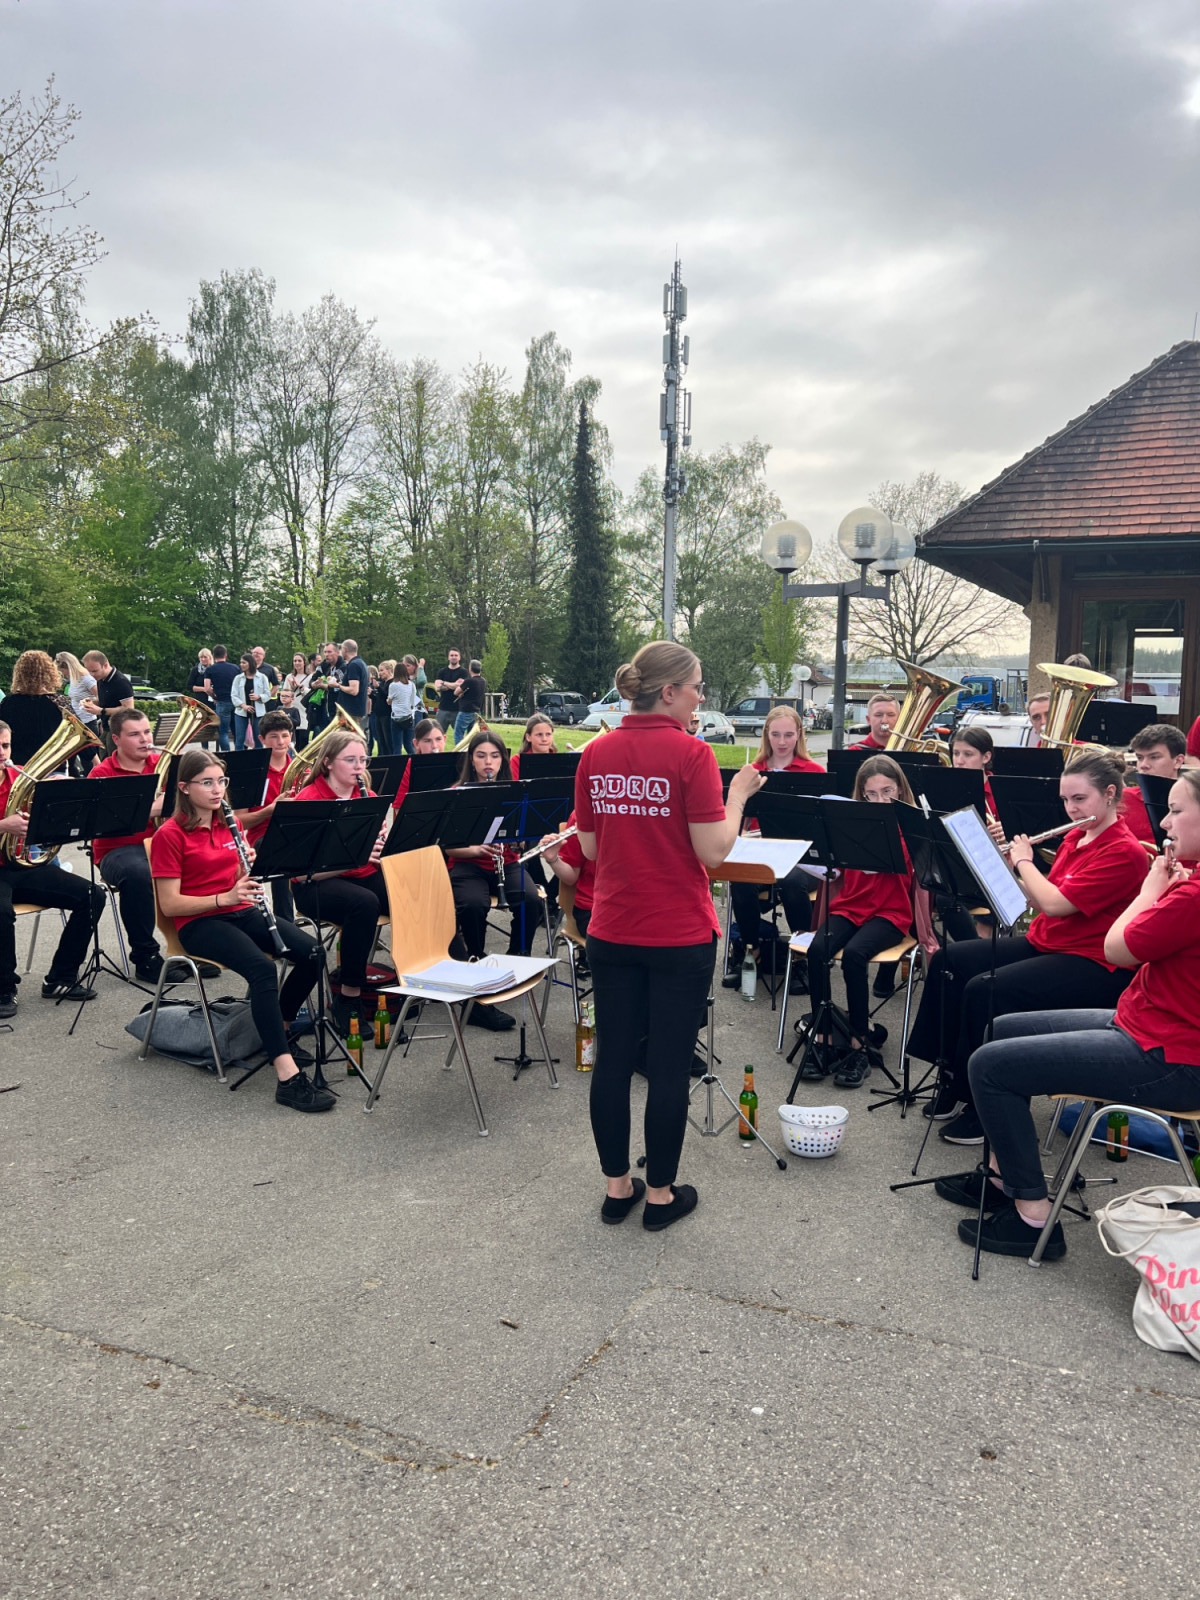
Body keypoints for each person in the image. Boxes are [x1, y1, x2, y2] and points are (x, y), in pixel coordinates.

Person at [939, 766, 1200, 1262]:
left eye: (1175, 811)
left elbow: (1117, 948)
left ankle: (1033, 1217)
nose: (1164, 824)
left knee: (990, 1066)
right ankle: (1002, 1176)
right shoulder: (1189, 881)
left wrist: (1150, 893)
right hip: (1143, 1024)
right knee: (997, 1029)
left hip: (1170, 1055)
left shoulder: (1190, 894)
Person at [576, 641, 765, 1232]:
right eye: (697, 687)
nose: (701, 698)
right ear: (668, 692)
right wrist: (737, 796)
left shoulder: (595, 752)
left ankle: (617, 1189)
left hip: (612, 927)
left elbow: (589, 849)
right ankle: (659, 1196)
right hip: (678, 932)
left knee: (612, 1059)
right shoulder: (692, 753)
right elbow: (713, 851)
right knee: (667, 1064)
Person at [904, 750, 1151, 1143]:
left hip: (1092, 963)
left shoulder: (1124, 851)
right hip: (1049, 943)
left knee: (986, 990)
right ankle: (952, 1073)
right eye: (1065, 800)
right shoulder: (1078, 837)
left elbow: (1055, 903)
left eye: (1079, 799)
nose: (1070, 809)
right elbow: (1036, 897)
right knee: (950, 960)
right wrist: (995, 862)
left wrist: (1024, 861)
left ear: (1109, 794)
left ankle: (982, 1107)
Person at [150, 749, 333, 1113]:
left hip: (239, 909)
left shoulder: (227, 822)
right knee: (262, 969)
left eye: (221, 781)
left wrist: (246, 868)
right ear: (184, 788)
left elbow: (236, 879)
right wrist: (224, 897)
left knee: (313, 953)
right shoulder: (169, 835)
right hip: (199, 922)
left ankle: (279, 1029)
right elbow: (169, 905)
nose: (217, 790)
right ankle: (286, 1075)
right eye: (207, 783)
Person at [802, 755, 916, 1090]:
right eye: (872, 794)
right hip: (851, 906)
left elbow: (906, 868)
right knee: (817, 949)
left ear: (899, 790)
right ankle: (823, 1037)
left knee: (854, 955)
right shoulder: (849, 823)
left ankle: (859, 1043)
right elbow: (836, 869)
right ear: (861, 795)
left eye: (887, 792)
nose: (880, 800)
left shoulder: (907, 827)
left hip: (890, 912)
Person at [0, 719, 106, 1016]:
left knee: (92, 895)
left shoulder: (21, 778)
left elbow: (46, 825)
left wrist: (57, 808)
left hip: (21, 865)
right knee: (1, 913)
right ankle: (4, 988)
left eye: (5, 745)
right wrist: (3, 825)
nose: (2, 752)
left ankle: (61, 977)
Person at [285, 728, 388, 1036]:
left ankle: (425, 980)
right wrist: (354, 856)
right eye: (351, 760)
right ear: (328, 762)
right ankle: (349, 996)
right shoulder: (308, 801)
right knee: (364, 904)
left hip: (361, 875)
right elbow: (299, 872)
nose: (359, 767)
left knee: (413, 892)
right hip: (315, 884)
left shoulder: (366, 795)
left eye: (363, 760)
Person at [445, 730, 542, 1027]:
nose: (488, 762)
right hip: (467, 864)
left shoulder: (515, 792)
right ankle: (476, 962)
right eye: (481, 756)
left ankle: (517, 956)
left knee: (530, 900)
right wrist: (474, 849)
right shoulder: (457, 792)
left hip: (506, 863)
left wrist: (521, 840)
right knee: (473, 904)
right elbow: (446, 846)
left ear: (502, 759)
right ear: (471, 760)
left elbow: (525, 835)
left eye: (495, 756)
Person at [726, 706, 824, 988]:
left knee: (792, 882)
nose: (782, 742)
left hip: (802, 857)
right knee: (740, 879)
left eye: (789, 735)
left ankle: (802, 958)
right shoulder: (752, 772)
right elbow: (739, 820)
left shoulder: (814, 772)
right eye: (776, 734)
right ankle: (751, 952)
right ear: (766, 735)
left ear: (799, 735)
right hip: (763, 852)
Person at [87, 707, 167, 982]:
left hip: (162, 843)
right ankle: (146, 956)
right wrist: (153, 809)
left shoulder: (164, 765)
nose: (145, 739)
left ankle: (197, 946)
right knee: (137, 874)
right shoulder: (101, 774)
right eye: (135, 735)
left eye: (147, 732)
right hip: (117, 850)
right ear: (116, 739)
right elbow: (102, 824)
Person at [236, 709, 298, 922]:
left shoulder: (298, 769)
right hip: (260, 838)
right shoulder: (252, 772)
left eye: (285, 735)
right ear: (261, 739)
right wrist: (271, 809)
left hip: (294, 831)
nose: (281, 742)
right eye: (274, 736)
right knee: (282, 847)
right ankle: (285, 920)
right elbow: (239, 821)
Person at [1121, 723, 1187, 845]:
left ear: (1178, 761)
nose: (1143, 765)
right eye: (1140, 758)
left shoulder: (1193, 801)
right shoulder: (1122, 799)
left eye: (1154, 757)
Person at [0, 651, 66, 766]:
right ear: (50, 673)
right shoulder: (59, 703)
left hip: (17, 767)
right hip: (53, 767)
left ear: (19, 674)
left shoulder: (8, 703)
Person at [390, 718, 446, 813]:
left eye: (438, 739)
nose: (435, 746)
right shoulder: (410, 766)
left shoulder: (455, 763)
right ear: (416, 744)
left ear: (444, 739)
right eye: (427, 741)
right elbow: (399, 806)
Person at [55, 651, 101, 766]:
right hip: (77, 723)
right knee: (72, 760)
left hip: (88, 723)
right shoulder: (74, 679)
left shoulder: (86, 679)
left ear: (67, 667)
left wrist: (88, 703)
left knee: (88, 762)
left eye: (62, 671)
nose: (63, 674)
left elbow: (101, 697)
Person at [81, 652, 135, 749]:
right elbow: (103, 700)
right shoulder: (101, 679)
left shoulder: (121, 682)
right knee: (102, 755)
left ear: (105, 665)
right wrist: (91, 703)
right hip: (107, 728)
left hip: (119, 729)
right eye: (89, 671)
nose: (92, 675)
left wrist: (101, 711)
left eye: (95, 671)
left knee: (112, 757)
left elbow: (129, 709)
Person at [204, 646, 240, 753]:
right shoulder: (235, 668)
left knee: (223, 732)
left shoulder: (210, 669)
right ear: (225, 655)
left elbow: (207, 688)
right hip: (236, 702)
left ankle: (226, 753)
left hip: (222, 702)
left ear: (213, 656)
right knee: (236, 731)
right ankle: (239, 753)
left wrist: (214, 696)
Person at [231, 653, 271, 749]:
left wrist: (259, 697)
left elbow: (268, 694)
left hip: (258, 713)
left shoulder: (262, 677)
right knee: (239, 739)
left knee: (258, 738)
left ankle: (257, 758)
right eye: (241, 662)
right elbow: (234, 695)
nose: (241, 664)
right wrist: (243, 705)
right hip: (241, 712)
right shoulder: (238, 678)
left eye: (244, 662)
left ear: (250, 663)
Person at [332, 639, 369, 734]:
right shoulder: (361, 663)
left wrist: (338, 685)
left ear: (345, 649)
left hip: (350, 712)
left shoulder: (354, 665)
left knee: (346, 739)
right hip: (355, 710)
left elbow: (354, 690)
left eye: (341, 650)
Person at [306, 643, 343, 735]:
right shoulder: (324, 664)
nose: (326, 654)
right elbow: (313, 679)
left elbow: (337, 686)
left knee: (338, 735)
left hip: (338, 706)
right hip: (323, 705)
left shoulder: (343, 666)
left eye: (329, 652)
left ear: (337, 652)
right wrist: (314, 684)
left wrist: (322, 685)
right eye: (325, 652)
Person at [509, 713, 556, 780]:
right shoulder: (517, 761)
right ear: (528, 737)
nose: (544, 739)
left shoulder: (559, 761)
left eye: (548, 734)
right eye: (539, 734)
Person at [184, 648, 215, 749]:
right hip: (201, 701)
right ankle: (205, 749)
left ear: (210, 657)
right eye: (201, 657)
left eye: (205, 657)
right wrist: (204, 689)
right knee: (203, 726)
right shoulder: (195, 670)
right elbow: (189, 686)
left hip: (213, 701)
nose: (203, 659)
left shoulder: (214, 669)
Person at [387, 660, 419, 756]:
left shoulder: (393, 685)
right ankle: (414, 761)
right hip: (408, 716)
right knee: (408, 745)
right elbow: (413, 701)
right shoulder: (411, 685)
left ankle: (397, 764)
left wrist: (389, 700)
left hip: (396, 717)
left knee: (397, 746)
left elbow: (389, 701)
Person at [452, 659, 486, 744]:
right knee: (472, 736)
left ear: (470, 669)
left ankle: (459, 751)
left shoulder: (469, 681)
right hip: (476, 712)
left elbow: (456, 692)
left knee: (458, 734)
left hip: (465, 711)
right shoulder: (483, 681)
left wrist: (460, 685)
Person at [282, 653, 312, 748]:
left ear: (304, 662)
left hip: (303, 710)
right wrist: (291, 687)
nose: (297, 663)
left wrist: (300, 686)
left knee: (302, 740)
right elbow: (284, 693)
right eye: (295, 661)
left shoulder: (310, 677)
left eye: (299, 661)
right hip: (291, 709)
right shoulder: (289, 676)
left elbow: (310, 694)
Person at [434, 649, 466, 734]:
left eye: (456, 655)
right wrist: (454, 685)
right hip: (442, 709)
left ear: (459, 657)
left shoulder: (463, 672)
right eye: (451, 655)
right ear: (448, 657)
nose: (454, 657)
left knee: (459, 736)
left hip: (457, 710)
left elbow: (461, 687)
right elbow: (437, 687)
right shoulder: (442, 672)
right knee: (438, 734)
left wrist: (444, 683)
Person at [371, 660, 395, 756]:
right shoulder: (382, 683)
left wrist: (378, 688)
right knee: (381, 741)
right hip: (379, 714)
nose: (380, 673)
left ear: (389, 670)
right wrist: (371, 694)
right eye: (379, 671)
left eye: (382, 670)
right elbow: (379, 698)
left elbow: (387, 697)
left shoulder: (392, 683)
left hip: (387, 715)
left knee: (388, 741)